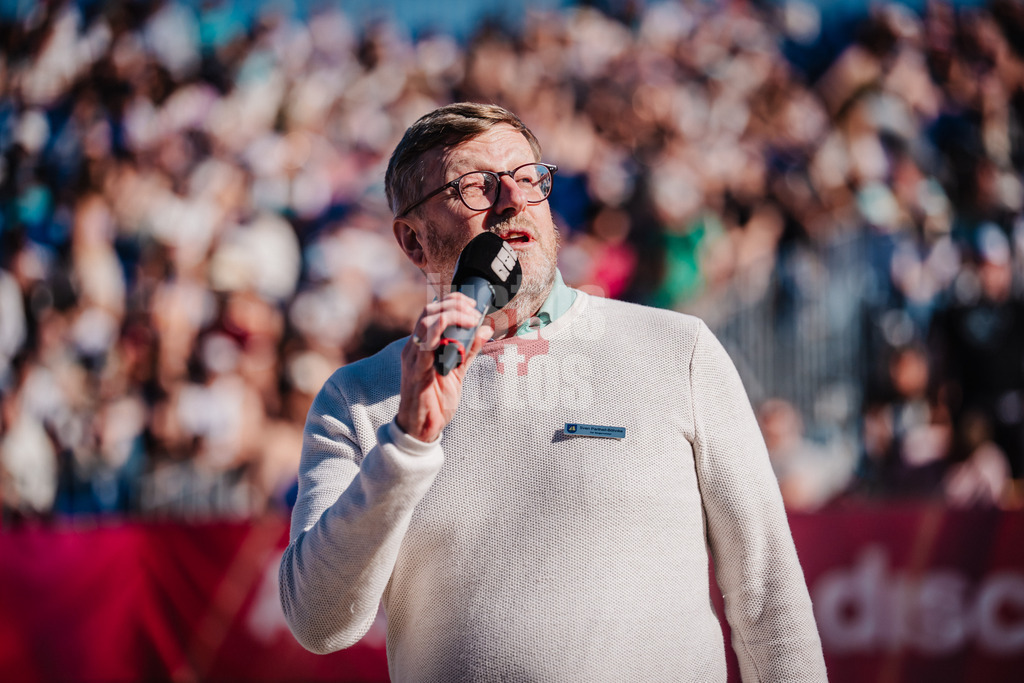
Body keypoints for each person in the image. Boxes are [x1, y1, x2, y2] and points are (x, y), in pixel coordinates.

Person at [279, 102, 827, 682]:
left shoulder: (677, 350)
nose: (513, 199)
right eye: (476, 187)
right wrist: (406, 448)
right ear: (414, 241)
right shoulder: (358, 399)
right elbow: (319, 625)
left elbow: (770, 599)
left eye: (528, 178)